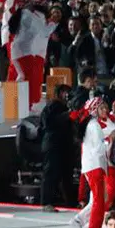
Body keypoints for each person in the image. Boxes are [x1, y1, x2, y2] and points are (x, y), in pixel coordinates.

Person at [71, 98, 115, 228]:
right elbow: (99, 147)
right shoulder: (94, 125)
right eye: (101, 108)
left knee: (97, 199)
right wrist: (109, 139)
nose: (105, 111)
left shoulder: (90, 124)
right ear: (95, 110)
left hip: (93, 165)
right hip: (95, 165)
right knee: (98, 200)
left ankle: (80, 221)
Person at [39, 84, 75, 212]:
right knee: (51, 173)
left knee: (67, 174)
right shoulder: (52, 106)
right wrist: (67, 115)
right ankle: (46, 202)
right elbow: (47, 123)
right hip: (53, 144)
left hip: (65, 145)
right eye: (65, 93)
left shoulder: (67, 107)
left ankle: (71, 202)